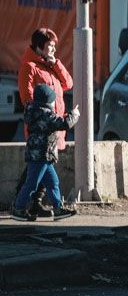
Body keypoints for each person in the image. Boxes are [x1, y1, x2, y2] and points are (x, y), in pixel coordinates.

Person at [16, 28, 73, 216]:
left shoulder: (51, 65)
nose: (53, 49)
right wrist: (44, 119)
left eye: (54, 46)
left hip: (53, 128)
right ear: (40, 46)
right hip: (42, 128)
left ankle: (33, 204)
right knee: (39, 167)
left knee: (43, 166)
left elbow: (68, 83)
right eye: (50, 46)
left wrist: (56, 64)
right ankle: (23, 204)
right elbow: (27, 98)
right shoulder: (29, 67)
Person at [11, 84, 79, 221]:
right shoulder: (45, 113)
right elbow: (63, 124)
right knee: (32, 184)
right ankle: (18, 208)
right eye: (53, 100)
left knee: (53, 181)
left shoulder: (35, 111)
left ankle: (58, 208)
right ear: (47, 101)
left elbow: (55, 122)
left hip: (43, 155)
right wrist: (74, 115)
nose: (55, 102)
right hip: (40, 155)